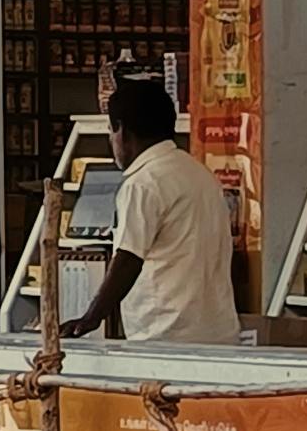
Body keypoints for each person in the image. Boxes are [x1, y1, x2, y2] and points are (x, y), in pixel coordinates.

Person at [69, 78, 237, 345]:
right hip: (218, 334)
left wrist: (91, 318)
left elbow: (128, 259)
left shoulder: (143, 183)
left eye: (111, 132)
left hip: (166, 336)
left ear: (122, 131)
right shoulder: (199, 174)